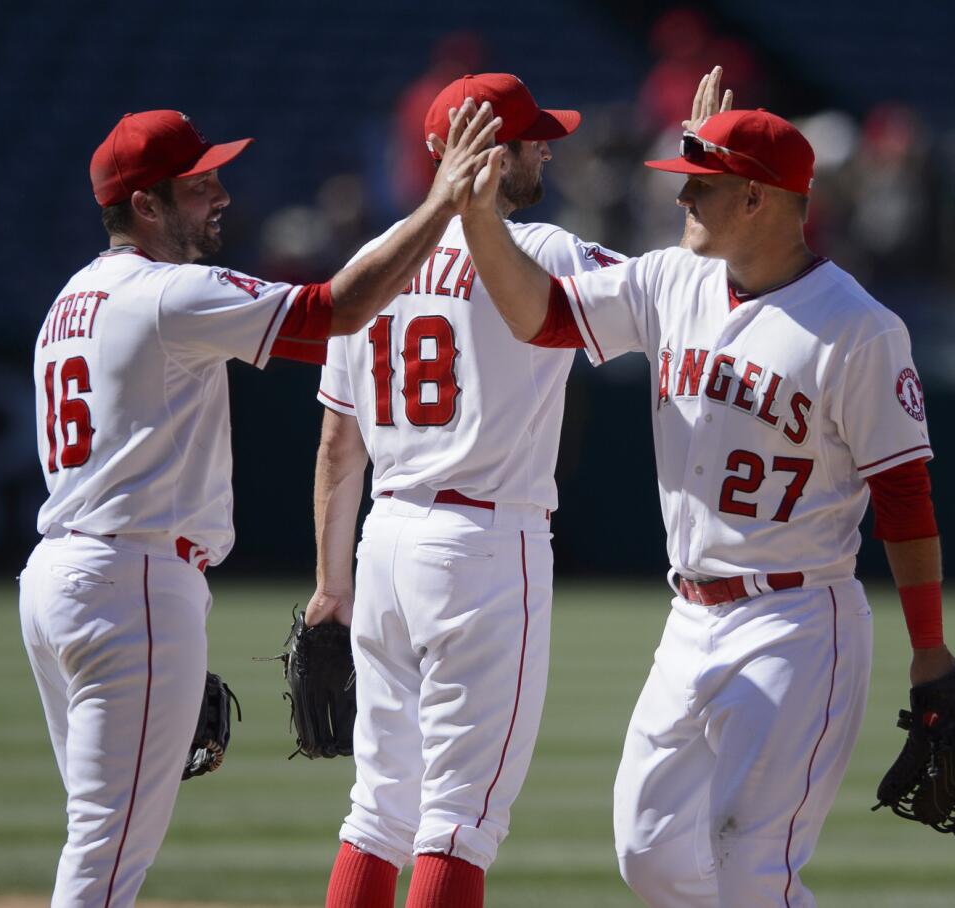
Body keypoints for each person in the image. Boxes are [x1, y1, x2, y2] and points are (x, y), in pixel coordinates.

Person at [453, 72, 955, 907]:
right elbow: (540, 317)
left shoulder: (860, 329)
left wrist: (929, 649)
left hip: (798, 621)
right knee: (649, 853)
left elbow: (906, 500)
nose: (683, 198)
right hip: (689, 616)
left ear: (759, 201)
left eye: (702, 185)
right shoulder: (674, 280)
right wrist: (479, 219)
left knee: (750, 868)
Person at [20, 102, 498, 908]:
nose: (222, 198)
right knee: (105, 857)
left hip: (62, 579)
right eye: (201, 185)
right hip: (130, 578)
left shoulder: (68, 302)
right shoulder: (168, 294)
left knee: (94, 831)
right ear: (146, 203)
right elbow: (336, 312)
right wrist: (441, 203)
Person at [305, 73, 623, 908]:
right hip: (484, 547)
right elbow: (679, 296)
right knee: (458, 821)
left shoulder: (367, 266)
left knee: (377, 811)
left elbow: (340, 446)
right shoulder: (544, 253)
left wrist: (331, 587)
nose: (547, 146)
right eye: (530, 137)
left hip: (384, 544)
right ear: (486, 151)